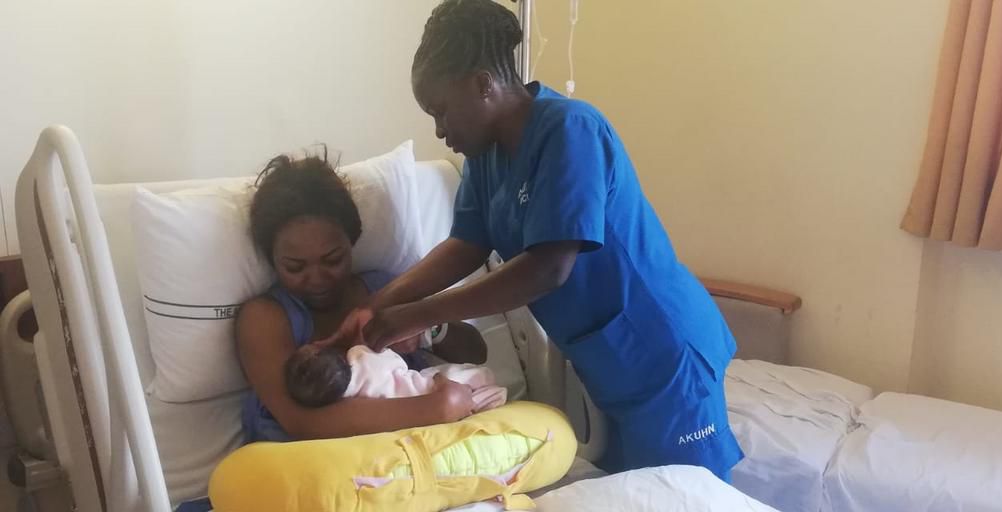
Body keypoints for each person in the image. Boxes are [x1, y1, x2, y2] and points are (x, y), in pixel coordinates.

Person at [346, 0, 744, 480]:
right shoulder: (483, 156)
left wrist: (419, 315)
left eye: (442, 111)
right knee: (634, 492)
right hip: (609, 358)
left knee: (688, 495)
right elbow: (465, 245)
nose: (439, 129)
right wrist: (378, 305)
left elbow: (549, 267)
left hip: (662, 351)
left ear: (482, 84)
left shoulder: (570, 129)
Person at [234, 150, 487, 443]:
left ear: (352, 241)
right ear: (273, 260)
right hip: (315, 463)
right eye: (295, 267)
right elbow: (302, 422)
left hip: (417, 448)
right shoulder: (265, 318)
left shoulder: (384, 289)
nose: (316, 278)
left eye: (332, 259)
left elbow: (476, 354)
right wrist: (439, 406)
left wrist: (430, 329)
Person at [284, 342, 507, 412]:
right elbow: (395, 361)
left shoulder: (346, 401)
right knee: (478, 376)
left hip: (425, 414)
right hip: (429, 386)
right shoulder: (359, 355)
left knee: (481, 396)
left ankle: (487, 400)